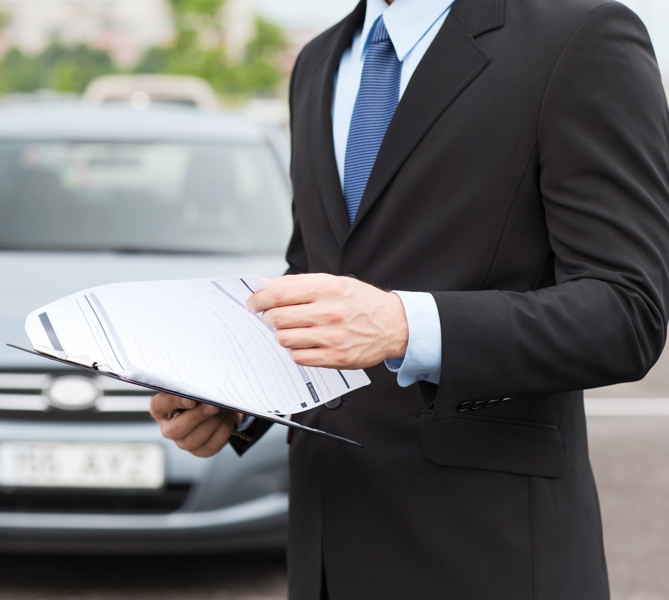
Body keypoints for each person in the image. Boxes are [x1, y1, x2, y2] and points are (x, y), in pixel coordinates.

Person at [150, 0, 669, 597]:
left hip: (486, 554)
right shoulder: (318, 61)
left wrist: (405, 325)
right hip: (325, 550)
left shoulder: (579, 37)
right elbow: (315, 274)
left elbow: (626, 310)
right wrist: (236, 395)